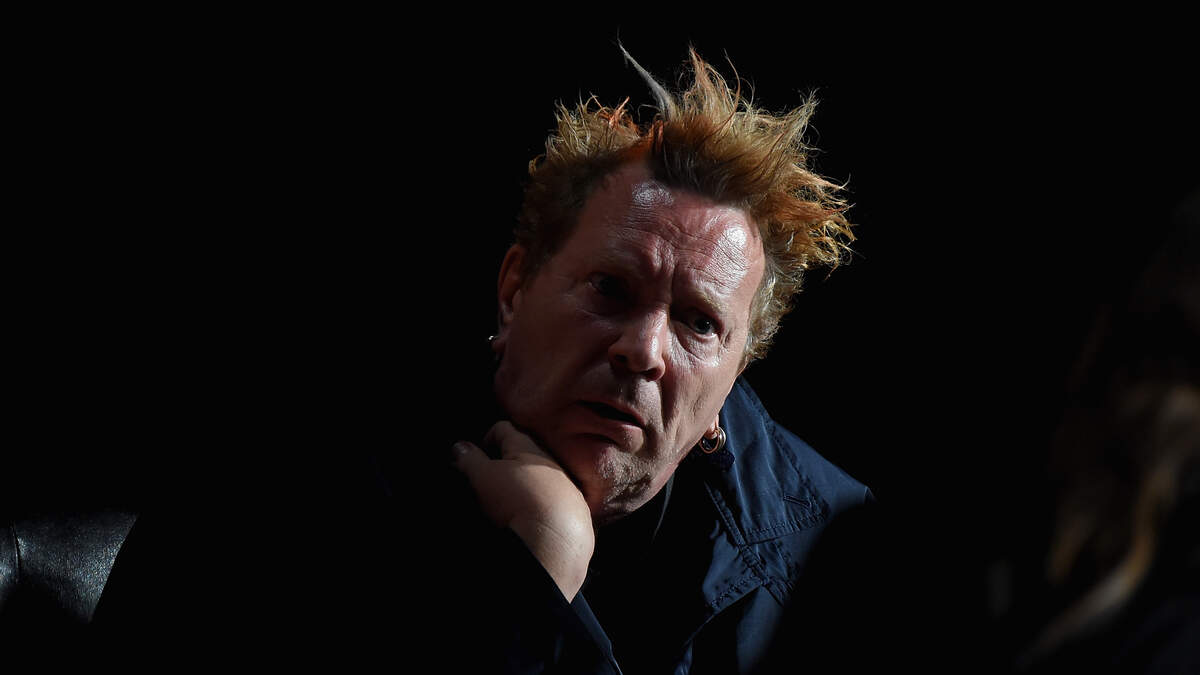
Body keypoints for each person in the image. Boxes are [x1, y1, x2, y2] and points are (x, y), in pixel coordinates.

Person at [406, 48, 874, 674]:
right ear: (515, 290)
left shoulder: (836, 570)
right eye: (610, 289)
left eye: (699, 323)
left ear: (733, 379)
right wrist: (537, 584)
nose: (643, 351)